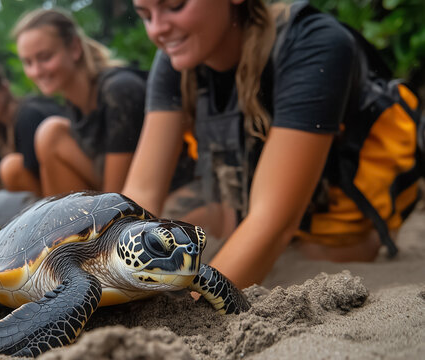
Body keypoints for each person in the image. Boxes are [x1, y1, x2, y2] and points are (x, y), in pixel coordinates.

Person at [124, 0, 422, 289]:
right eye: (145, 15)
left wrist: (190, 311)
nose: (157, 30)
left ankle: (373, 235)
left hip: (335, 202)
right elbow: (141, 194)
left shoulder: (315, 43)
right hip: (258, 190)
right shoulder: (176, 56)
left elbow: (272, 224)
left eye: (175, 6)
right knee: (178, 223)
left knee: (304, 252)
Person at [13, 9, 147, 196]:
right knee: (47, 136)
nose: (37, 71)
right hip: (111, 190)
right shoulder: (74, 102)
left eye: (45, 57)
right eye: (28, 62)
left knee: (51, 133)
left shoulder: (118, 90)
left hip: (156, 198)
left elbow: (117, 197)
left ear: (75, 48)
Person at [0, 58, 66, 196]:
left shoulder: (28, 117)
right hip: (55, 194)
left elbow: (47, 173)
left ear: (4, 88)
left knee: (11, 168)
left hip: (71, 193)